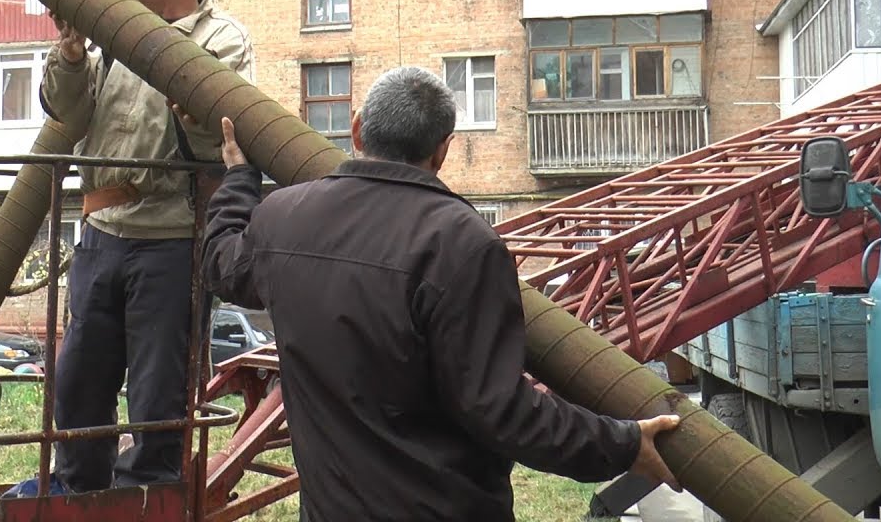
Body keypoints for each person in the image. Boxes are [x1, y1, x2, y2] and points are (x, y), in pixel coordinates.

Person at [196, 66, 680, 521]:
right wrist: (620, 445)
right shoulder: (463, 242)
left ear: (359, 129)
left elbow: (221, 265)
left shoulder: (284, 217)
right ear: (443, 149)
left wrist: (240, 178)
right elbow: (499, 410)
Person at [16, 0, 254, 496]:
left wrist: (188, 94)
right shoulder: (118, 34)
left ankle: (149, 500)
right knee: (78, 384)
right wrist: (71, 54)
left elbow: (215, 135)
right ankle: (81, 496)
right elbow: (70, 115)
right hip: (101, 233)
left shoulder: (221, 39)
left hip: (169, 240)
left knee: (158, 395)